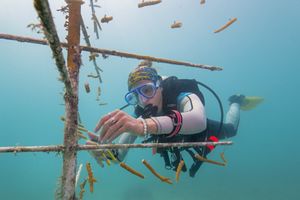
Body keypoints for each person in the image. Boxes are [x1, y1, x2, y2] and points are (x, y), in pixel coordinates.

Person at [87, 65, 263, 177]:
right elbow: (118, 157)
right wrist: (107, 153)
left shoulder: (182, 95)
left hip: (201, 133)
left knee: (231, 129)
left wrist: (143, 126)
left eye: (147, 90)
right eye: (135, 96)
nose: (143, 101)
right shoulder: (140, 118)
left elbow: (198, 120)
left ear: (160, 87)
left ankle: (236, 101)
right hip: (180, 143)